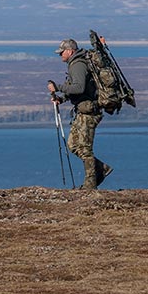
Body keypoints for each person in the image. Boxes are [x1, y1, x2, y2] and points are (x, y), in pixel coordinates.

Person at [48, 38, 112, 189]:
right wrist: (62, 99)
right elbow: (78, 89)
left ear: (70, 51)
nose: (60, 55)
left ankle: (91, 184)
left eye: (62, 52)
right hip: (83, 109)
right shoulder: (76, 64)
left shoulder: (77, 65)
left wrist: (58, 87)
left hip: (89, 111)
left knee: (84, 147)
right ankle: (100, 168)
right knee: (73, 145)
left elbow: (79, 88)